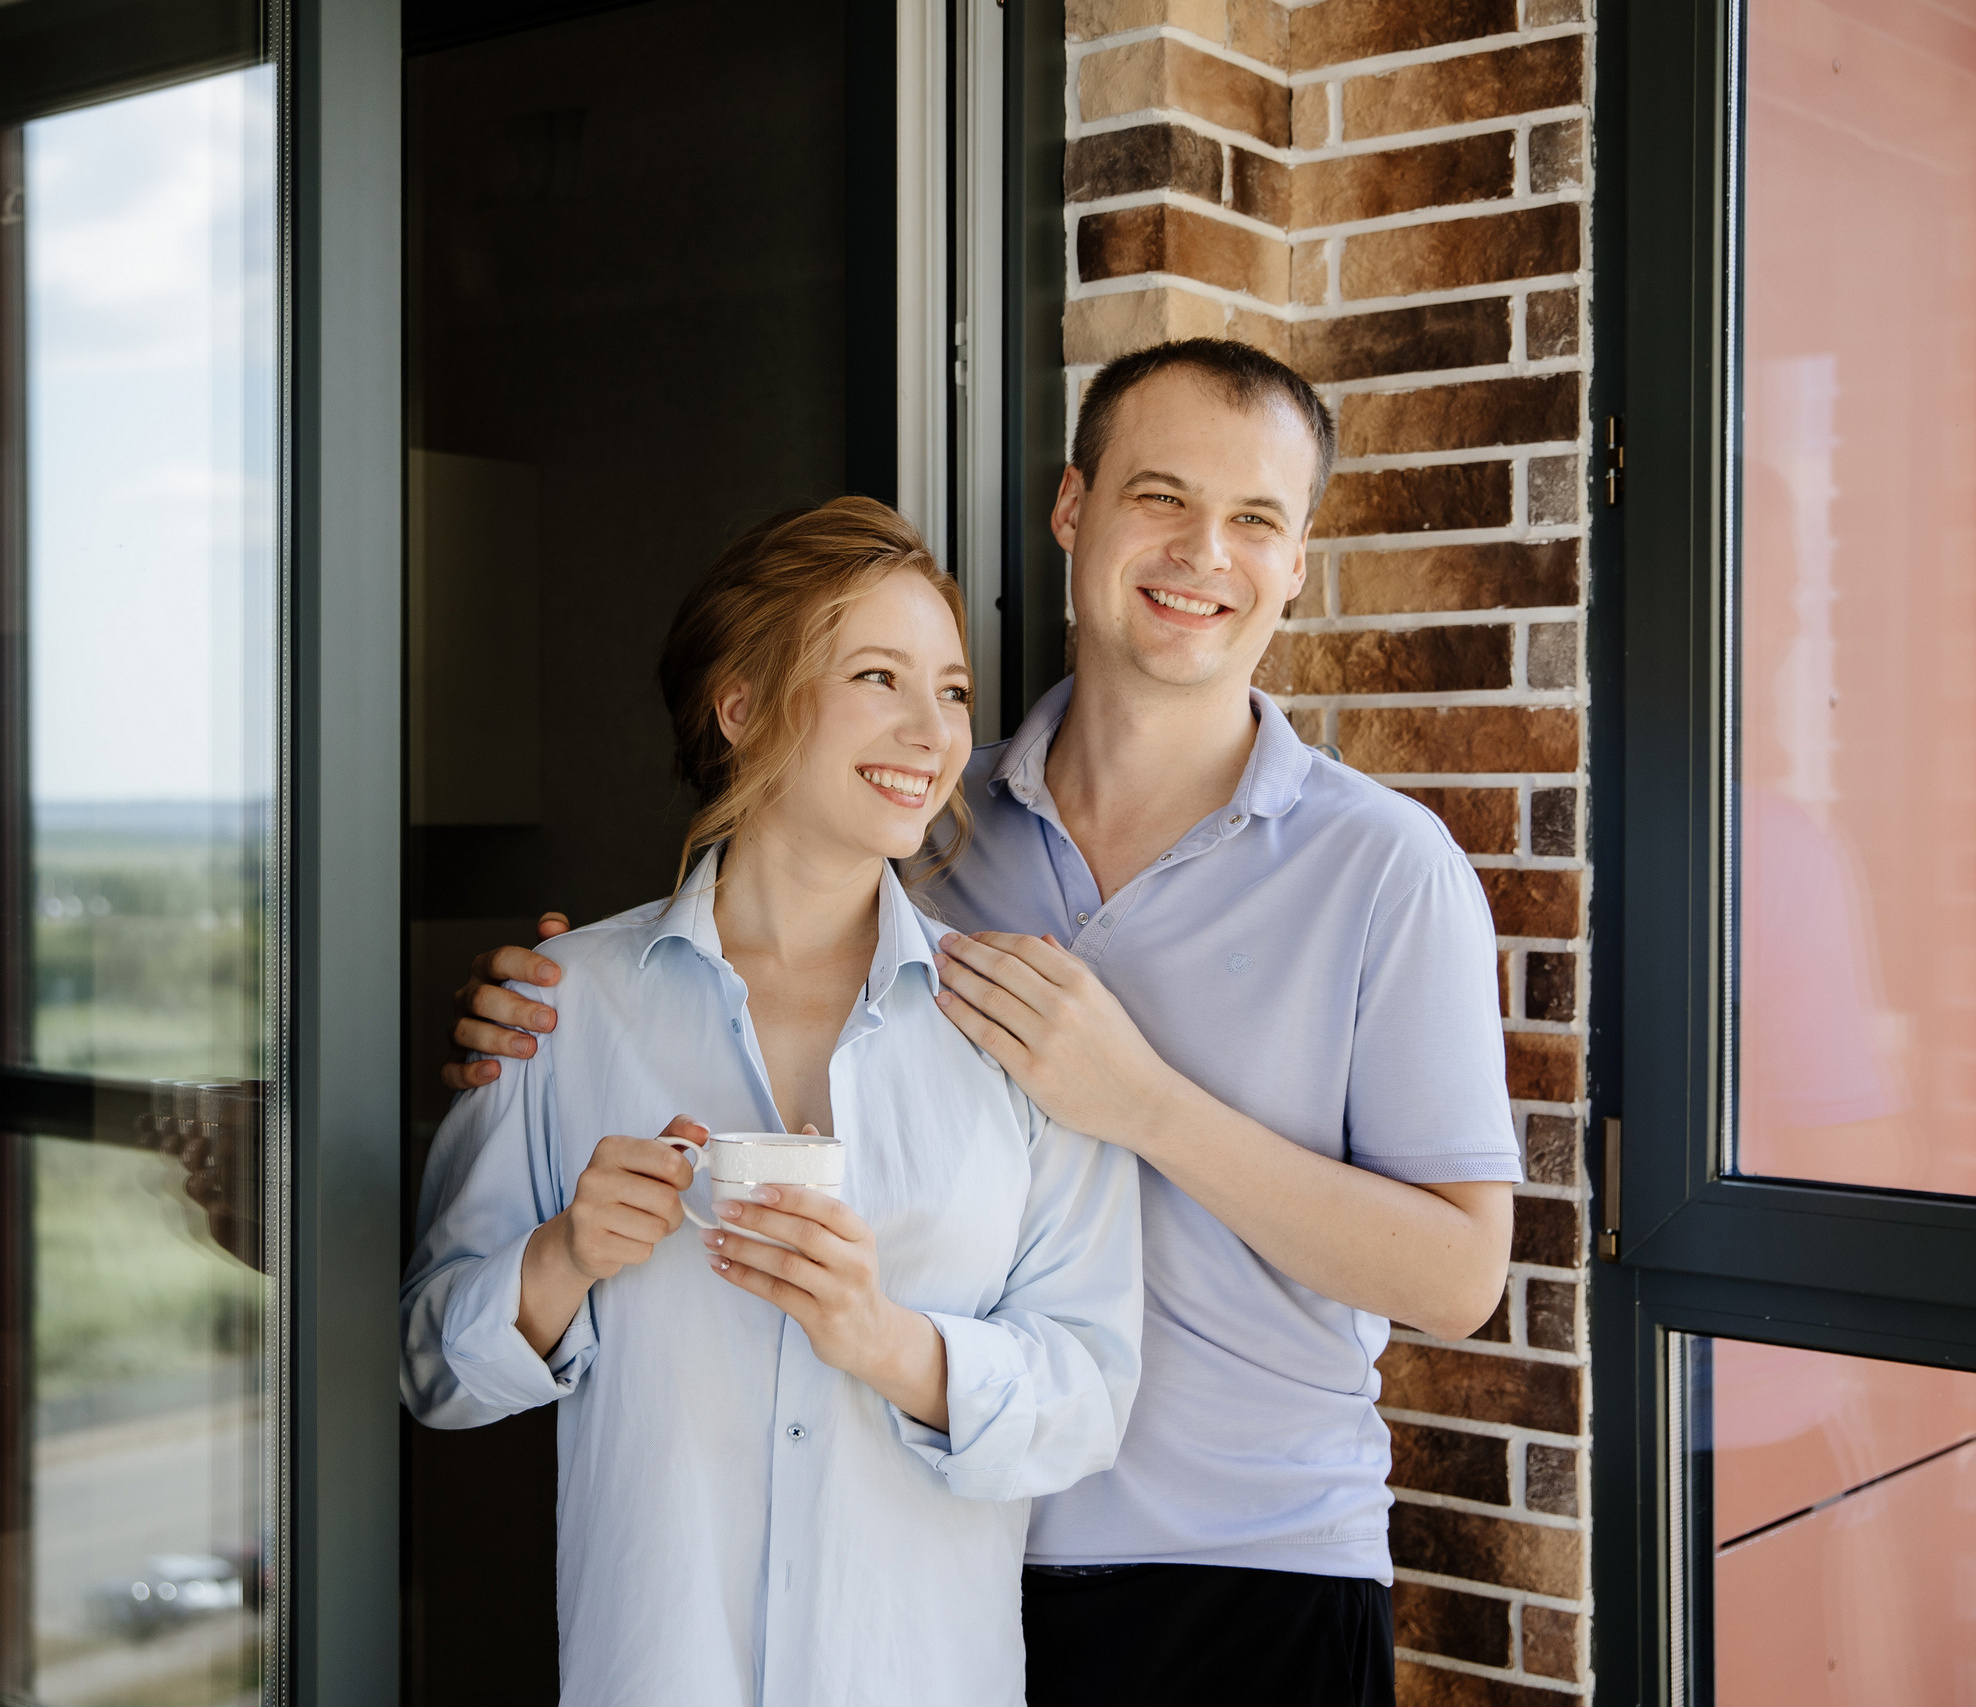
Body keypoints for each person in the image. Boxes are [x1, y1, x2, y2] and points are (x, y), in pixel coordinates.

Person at [448, 341, 1519, 1707]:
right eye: (1161, 496)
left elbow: (1457, 1277)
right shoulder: (931, 829)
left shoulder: (1383, 866)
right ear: (1073, 507)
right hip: (922, 1560)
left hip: (1244, 1572)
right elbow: (731, 968)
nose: (1204, 553)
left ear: (1297, 562)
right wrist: (540, 1018)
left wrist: (1143, 1103)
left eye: (1256, 519)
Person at [400, 498, 1143, 1707]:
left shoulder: (1017, 1030)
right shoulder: (563, 1010)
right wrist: (563, 1257)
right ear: (738, 708)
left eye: (952, 691)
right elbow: (433, 1370)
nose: (931, 732)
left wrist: (885, 1341)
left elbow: (1087, 1402)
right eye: (877, 676)